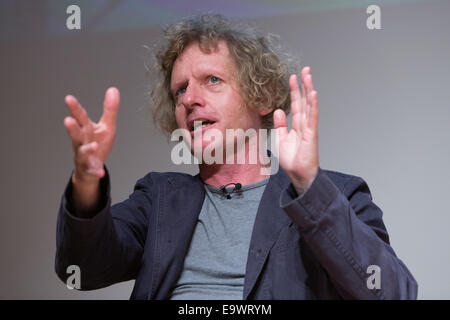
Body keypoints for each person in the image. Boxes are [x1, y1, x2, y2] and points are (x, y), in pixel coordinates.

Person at [55, 14, 418, 299]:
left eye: (211, 80)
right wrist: (87, 181)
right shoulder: (160, 198)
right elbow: (81, 269)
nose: (189, 99)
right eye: (180, 89)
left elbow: (392, 293)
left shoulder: (337, 194)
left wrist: (309, 184)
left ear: (261, 97)